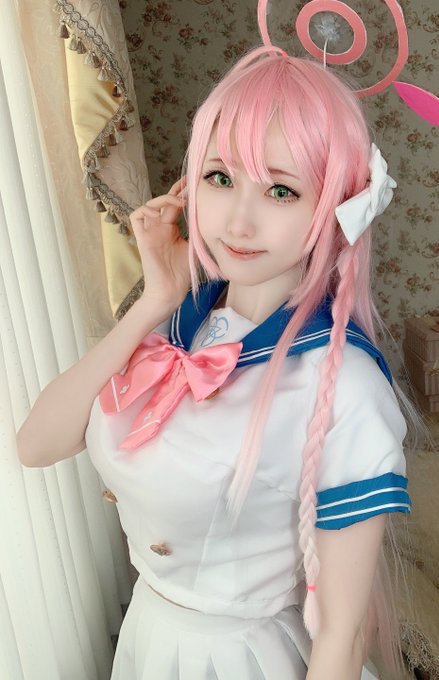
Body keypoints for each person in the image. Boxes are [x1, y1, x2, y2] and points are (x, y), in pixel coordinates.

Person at [17, 46, 413, 680]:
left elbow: (344, 632)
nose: (237, 221)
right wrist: (155, 300)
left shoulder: (344, 386)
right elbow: (36, 445)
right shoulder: (181, 324)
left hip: (244, 658)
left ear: (337, 208)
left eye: (281, 190)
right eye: (220, 178)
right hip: (149, 636)